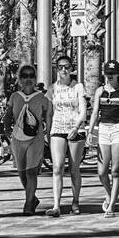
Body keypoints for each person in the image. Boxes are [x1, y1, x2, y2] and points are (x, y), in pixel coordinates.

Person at [87, 60, 119, 217]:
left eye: (113, 74)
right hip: (104, 129)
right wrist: (90, 131)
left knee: (115, 170)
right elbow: (94, 113)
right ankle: (109, 194)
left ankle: (112, 205)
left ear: (118, 74)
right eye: (108, 74)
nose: (110, 76)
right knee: (101, 171)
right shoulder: (100, 91)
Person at [4, 63, 52, 215]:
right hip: (18, 140)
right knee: (22, 173)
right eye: (24, 76)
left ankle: (28, 204)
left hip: (35, 140)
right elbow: (8, 115)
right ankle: (33, 198)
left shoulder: (42, 98)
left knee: (31, 172)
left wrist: (49, 136)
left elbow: (48, 118)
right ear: (19, 79)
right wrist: (6, 131)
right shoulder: (14, 96)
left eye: (31, 75)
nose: (28, 79)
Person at [46, 54, 87, 217]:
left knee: (74, 167)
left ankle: (75, 201)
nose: (64, 70)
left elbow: (83, 110)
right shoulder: (52, 88)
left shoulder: (78, 87)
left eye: (67, 67)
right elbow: (49, 113)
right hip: (57, 129)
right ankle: (56, 205)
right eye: (60, 67)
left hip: (75, 129)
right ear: (56, 69)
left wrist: (76, 127)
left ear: (71, 68)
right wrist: (49, 132)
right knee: (57, 167)